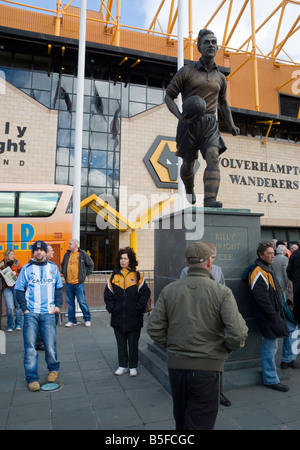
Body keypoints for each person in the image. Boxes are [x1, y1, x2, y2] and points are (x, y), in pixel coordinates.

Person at [148, 242, 248, 430]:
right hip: (207, 367)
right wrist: (223, 351)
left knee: (182, 418)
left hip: (177, 366)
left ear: (186, 262)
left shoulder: (170, 290)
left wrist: (173, 348)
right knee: (200, 422)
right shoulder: (222, 292)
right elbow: (238, 333)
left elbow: (154, 328)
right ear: (210, 263)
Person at [165, 29, 240, 207]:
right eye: (206, 42)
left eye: (214, 42)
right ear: (199, 47)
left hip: (209, 123)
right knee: (188, 164)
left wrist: (231, 124)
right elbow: (169, 96)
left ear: (217, 47)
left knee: (213, 156)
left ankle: (210, 200)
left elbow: (223, 103)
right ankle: (189, 188)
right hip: (189, 123)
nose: (211, 45)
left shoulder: (221, 77)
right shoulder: (186, 72)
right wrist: (180, 116)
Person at [180, 241, 230, 407]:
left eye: (214, 257)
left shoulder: (218, 271)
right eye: (210, 257)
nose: (212, 260)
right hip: (194, 320)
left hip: (213, 321)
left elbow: (224, 292)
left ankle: (218, 393)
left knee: (216, 361)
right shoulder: (185, 272)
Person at [248, 241, 297, 392]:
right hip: (269, 316)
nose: (271, 256)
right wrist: (274, 316)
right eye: (268, 253)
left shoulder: (265, 269)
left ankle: (283, 363)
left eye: (272, 253)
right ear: (260, 254)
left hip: (274, 314)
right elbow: (262, 298)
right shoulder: (257, 270)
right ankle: (270, 379)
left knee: (278, 341)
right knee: (270, 347)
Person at [14, 240, 63, 391]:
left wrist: (57, 306)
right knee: (30, 347)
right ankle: (31, 378)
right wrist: (24, 309)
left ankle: (53, 370)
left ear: (45, 252)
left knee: (50, 345)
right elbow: (19, 290)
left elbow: (58, 288)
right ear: (33, 252)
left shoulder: (53, 268)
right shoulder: (26, 269)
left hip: (48, 313)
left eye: (41, 250)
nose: (39, 252)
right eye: (36, 250)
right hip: (31, 314)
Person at [104, 247, 151, 377]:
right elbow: (107, 295)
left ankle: (133, 366)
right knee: (121, 343)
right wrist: (112, 308)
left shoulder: (137, 275)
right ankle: (122, 365)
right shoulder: (113, 276)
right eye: (121, 258)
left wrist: (139, 308)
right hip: (118, 316)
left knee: (133, 343)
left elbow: (145, 293)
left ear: (130, 260)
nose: (122, 261)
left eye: (125, 258)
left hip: (134, 316)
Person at [61, 239, 94, 327]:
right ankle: (72, 320)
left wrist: (86, 274)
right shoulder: (67, 254)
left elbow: (91, 264)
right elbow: (63, 264)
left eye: (70, 244)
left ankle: (87, 319)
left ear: (75, 245)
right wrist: (64, 273)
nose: (68, 245)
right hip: (68, 283)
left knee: (81, 301)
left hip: (78, 283)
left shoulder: (83, 254)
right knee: (70, 302)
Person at [0, 250, 22, 332]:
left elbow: (22, 273)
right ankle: (10, 325)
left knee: (18, 306)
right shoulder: (2, 263)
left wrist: (15, 273)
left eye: (13, 254)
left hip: (17, 287)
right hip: (7, 288)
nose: (13, 255)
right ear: (6, 255)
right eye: (11, 254)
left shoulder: (17, 263)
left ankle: (19, 324)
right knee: (9, 307)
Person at [287, 246, 300, 324]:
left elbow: (289, 270)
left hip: (298, 286)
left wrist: (294, 280)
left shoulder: (295, 254)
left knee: (298, 309)